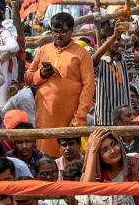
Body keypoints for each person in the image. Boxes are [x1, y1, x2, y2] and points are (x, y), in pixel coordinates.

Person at [25, 12, 94, 157]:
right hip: (45, 113)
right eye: (55, 31)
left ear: (71, 31)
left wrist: (80, 117)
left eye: (62, 31)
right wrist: (42, 74)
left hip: (71, 115)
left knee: (68, 154)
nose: (58, 35)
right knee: (45, 155)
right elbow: (28, 78)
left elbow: (88, 87)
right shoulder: (43, 50)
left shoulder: (82, 54)